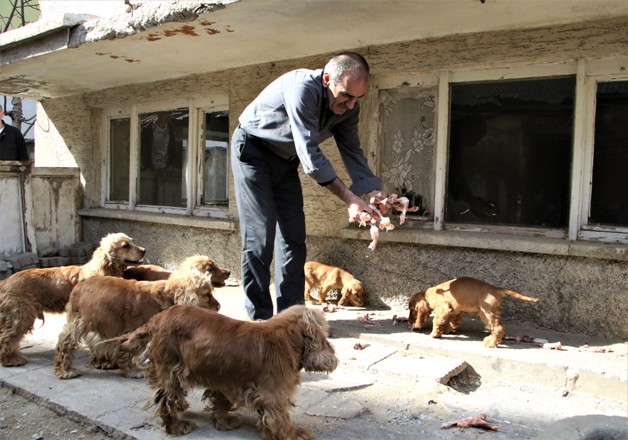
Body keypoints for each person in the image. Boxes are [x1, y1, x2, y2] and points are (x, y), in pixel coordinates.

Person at [231, 52, 387, 321]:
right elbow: (310, 155)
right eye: (346, 96)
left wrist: (373, 190)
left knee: (293, 238)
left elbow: (352, 150)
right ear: (327, 79)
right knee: (260, 237)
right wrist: (349, 199)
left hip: (285, 160)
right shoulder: (302, 88)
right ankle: (260, 322)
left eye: (357, 99)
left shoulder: (349, 107)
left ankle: (292, 319)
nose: (351, 105)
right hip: (253, 152)